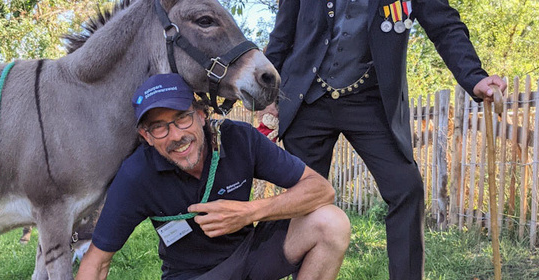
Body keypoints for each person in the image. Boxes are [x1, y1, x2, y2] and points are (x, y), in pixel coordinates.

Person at [263, 0, 507, 279]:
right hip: (307, 98)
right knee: (299, 201)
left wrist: (475, 78)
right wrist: (269, 94)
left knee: (407, 190)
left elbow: (443, 26)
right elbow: (283, 36)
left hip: (370, 99)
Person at [76, 73, 350, 280]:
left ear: (201, 115)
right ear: (146, 137)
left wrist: (249, 212)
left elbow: (321, 190)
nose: (176, 136)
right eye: (159, 128)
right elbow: (97, 260)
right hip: (191, 274)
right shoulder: (137, 174)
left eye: (182, 118)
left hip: (251, 253)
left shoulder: (239, 139)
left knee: (331, 222)